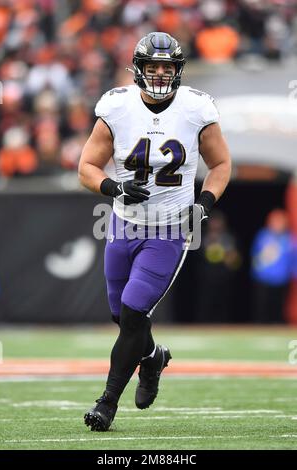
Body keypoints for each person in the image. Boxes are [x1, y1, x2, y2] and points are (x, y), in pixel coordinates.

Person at [78, 31, 231, 432]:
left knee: (132, 313)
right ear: (139, 69)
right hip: (122, 223)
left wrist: (205, 204)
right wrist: (114, 186)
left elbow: (221, 165)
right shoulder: (116, 106)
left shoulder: (197, 109)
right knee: (121, 314)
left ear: (178, 70)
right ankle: (152, 356)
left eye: (168, 67)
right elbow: (86, 168)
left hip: (169, 229)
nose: (160, 74)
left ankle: (107, 403)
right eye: (153, 67)